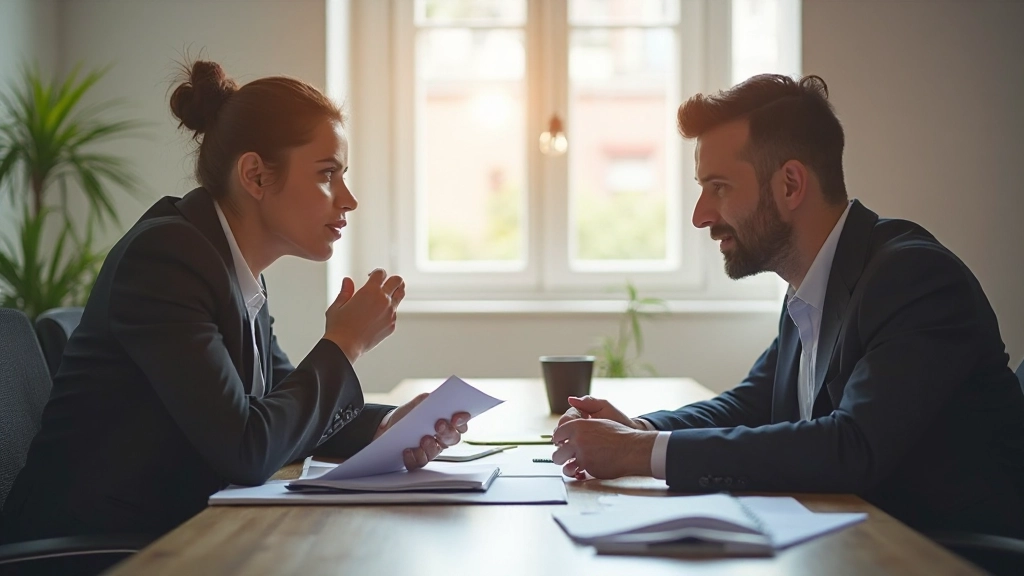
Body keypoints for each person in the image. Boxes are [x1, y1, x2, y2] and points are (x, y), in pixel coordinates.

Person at [0, 60, 469, 544]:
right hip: (104, 547)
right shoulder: (166, 260)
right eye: (328, 173)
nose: (347, 199)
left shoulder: (226, 263)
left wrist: (385, 425)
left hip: (175, 534)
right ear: (255, 176)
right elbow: (246, 449)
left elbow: (279, 404)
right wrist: (344, 344)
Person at [551, 73, 1024, 537]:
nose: (700, 216)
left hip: (942, 555)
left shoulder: (914, 279)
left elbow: (851, 446)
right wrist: (636, 428)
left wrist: (639, 452)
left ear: (791, 185)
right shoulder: (811, 286)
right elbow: (752, 405)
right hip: (859, 543)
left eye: (719, 187)